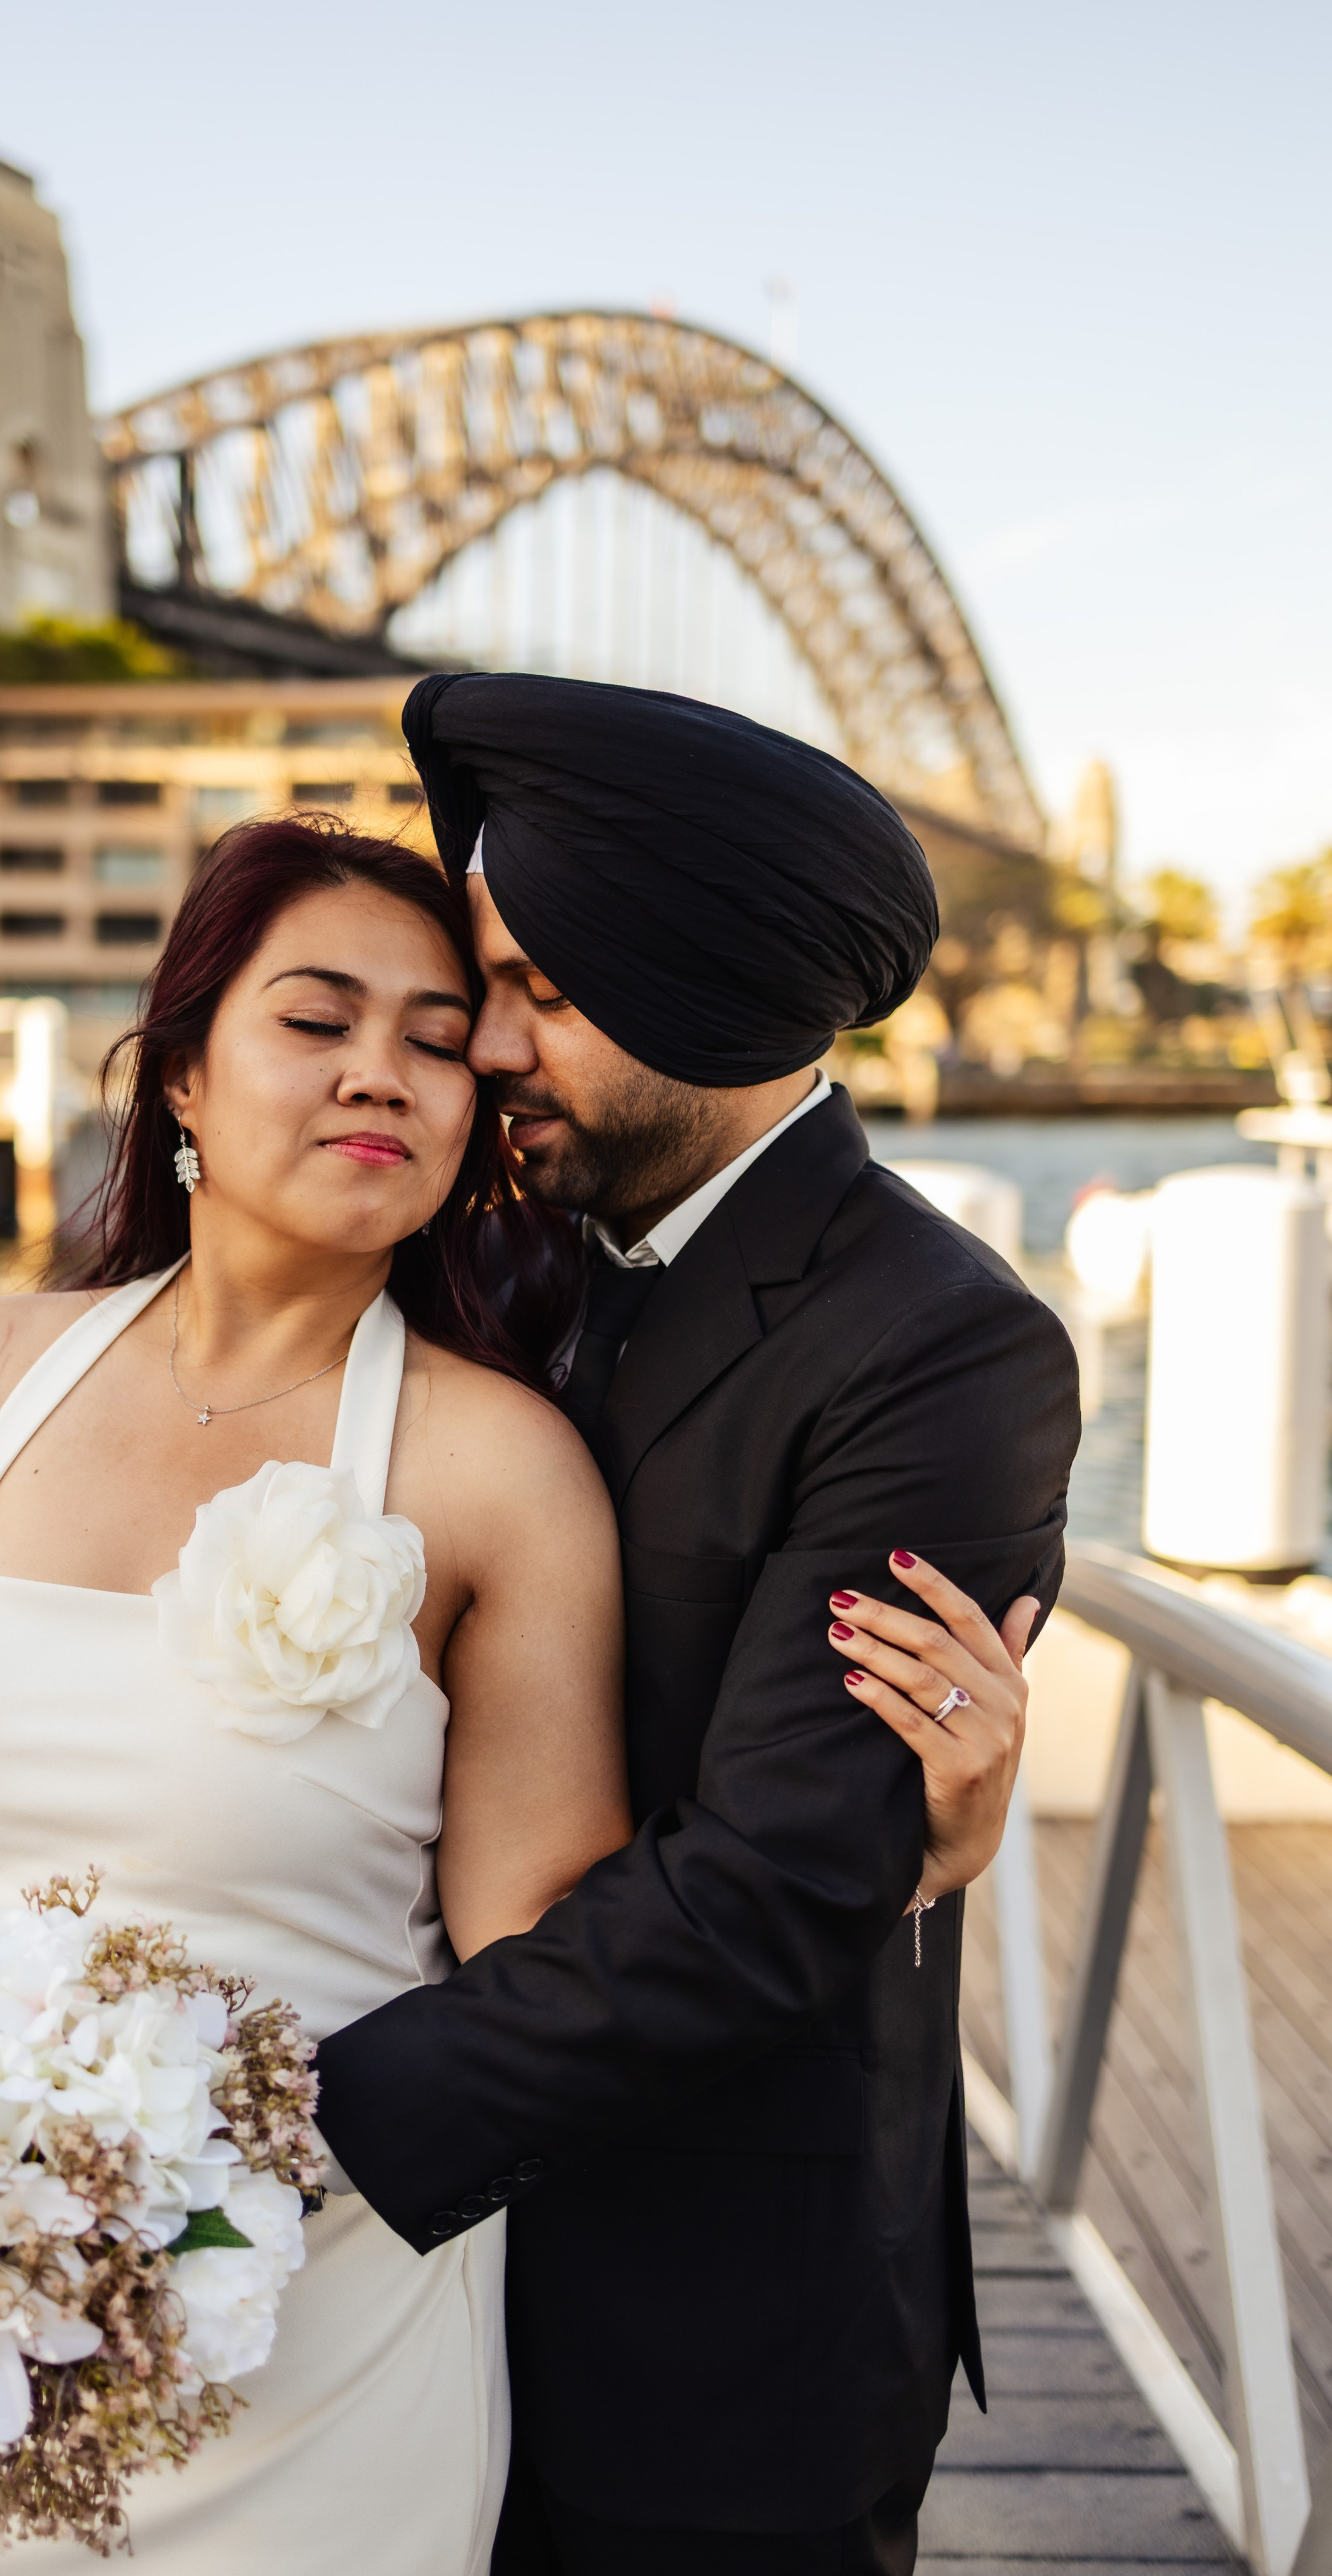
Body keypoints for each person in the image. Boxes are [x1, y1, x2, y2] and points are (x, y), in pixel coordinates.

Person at [0, 810, 1041, 2576]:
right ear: (184, 1073)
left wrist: (889, 1856)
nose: (391, 1072)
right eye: (317, 1020)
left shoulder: (504, 1467)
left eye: (439, 1040)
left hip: (326, 2310)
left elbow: (543, 1930)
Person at [312, 675, 1082, 2576]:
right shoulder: (508, 1261)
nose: (486, 1047)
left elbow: (766, 1885)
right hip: (409, 2323)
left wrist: (292, 2128)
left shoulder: (941, 1345)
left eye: (544, 997)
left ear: (709, 1000)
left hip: (712, 2328)